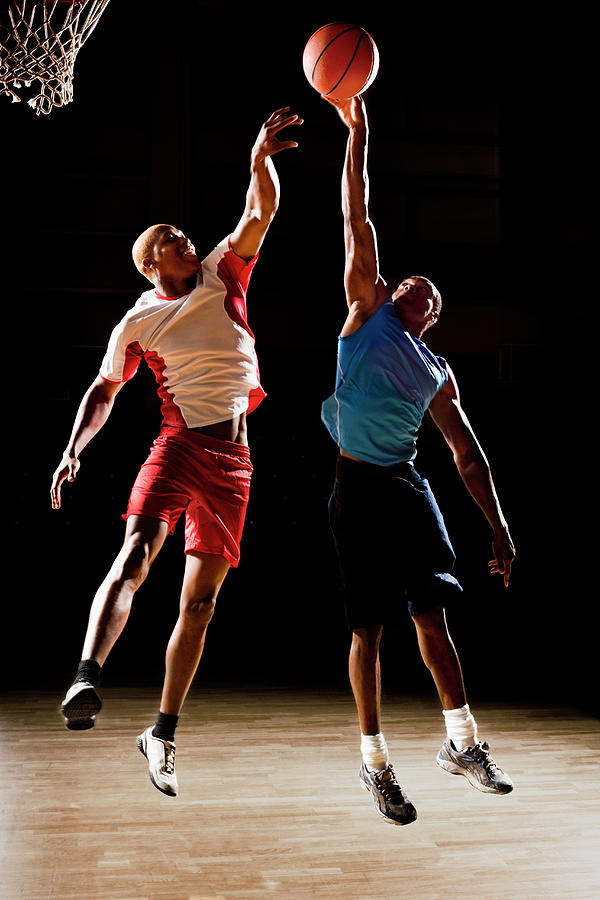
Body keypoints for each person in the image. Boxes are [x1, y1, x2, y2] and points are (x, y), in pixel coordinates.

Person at [50, 107, 302, 798]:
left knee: (198, 607)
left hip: (235, 465)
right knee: (134, 556)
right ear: (149, 262)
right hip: (177, 446)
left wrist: (258, 157)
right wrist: (74, 450)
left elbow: (262, 211)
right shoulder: (137, 319)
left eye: (184, 232)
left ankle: (160, 733)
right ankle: (85, 676)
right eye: (169, 238)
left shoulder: (224, 272)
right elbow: (104, 390)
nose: (184, 238)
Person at [321, 95, 516, 826]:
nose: (414, 287)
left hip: (407, 487)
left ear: (432, 318)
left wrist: (498, 528)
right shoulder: (365, 313)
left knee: (433, 617)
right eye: (409, 282)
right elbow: (356, 215)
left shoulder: (435, 370)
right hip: (355, 486)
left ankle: (462, 744)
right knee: (366, 631)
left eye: (427, 294)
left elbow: (468, 453)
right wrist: (359, 133)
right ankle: (375, 765)